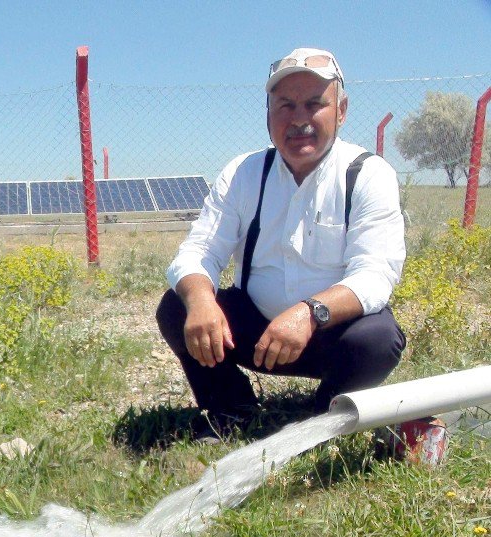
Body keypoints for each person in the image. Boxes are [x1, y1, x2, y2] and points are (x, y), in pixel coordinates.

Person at [157, 48, 406, 439]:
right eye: (285, 105)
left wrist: (310, 314)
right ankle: (231, 408)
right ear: (268, 113)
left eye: (314, 104)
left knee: (377, 339)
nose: (299, 119)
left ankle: (325, 414)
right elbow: (199, 251)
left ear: (341, 111)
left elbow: (376, 275)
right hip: (255, 334)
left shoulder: (367, 174)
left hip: (329, 335)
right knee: (177, 304)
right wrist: (202, 300)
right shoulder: (244, 173)